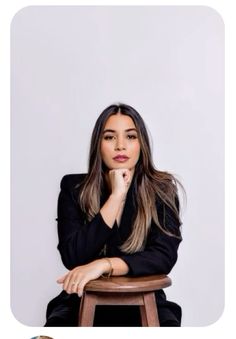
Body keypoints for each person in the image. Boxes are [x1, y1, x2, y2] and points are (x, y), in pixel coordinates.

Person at [45, 103, 184, 327]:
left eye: (130, 137)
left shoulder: (162, 189)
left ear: (142, 145)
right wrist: (116, 196)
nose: (121, 146)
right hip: (81, 301)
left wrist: (104, 265)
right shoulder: (74, 187)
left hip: (143, 302)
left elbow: (163, 257)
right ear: (98, 145)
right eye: (110, 137)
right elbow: (72, 256)